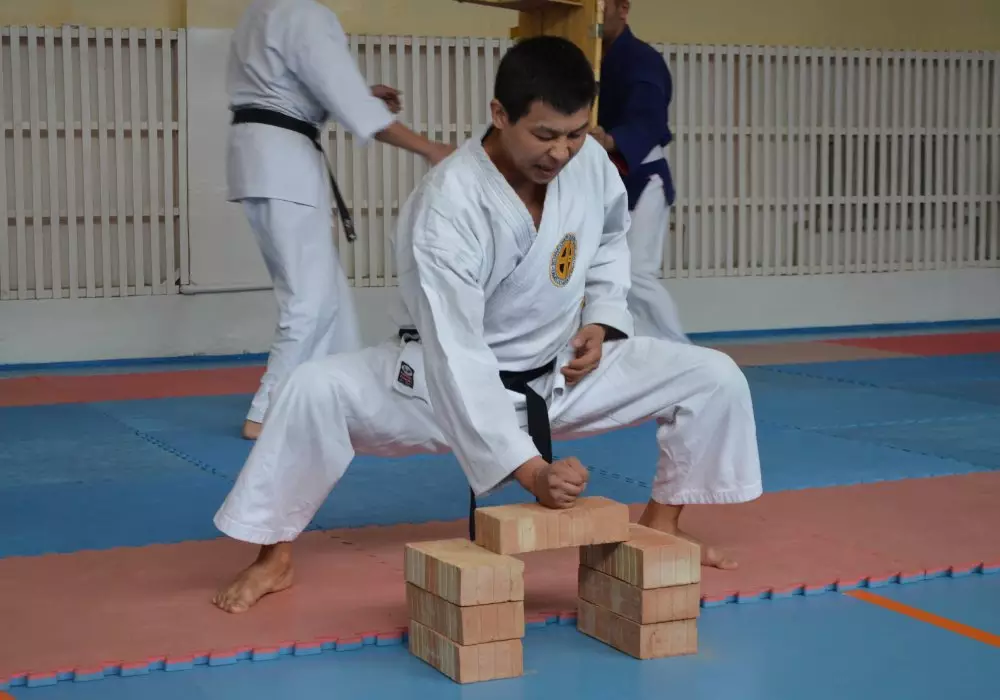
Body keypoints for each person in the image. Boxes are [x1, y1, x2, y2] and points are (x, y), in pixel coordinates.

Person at [211, 35, 762, 614]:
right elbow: (457, 352)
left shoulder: (590, 163)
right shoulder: (448, 204)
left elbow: (608, 240)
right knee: (311, 390)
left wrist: (602, 319)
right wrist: (533, 473)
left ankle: (662, 524)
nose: (561, 152)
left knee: (713, 376)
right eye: (544, 135)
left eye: (575, 134)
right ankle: (273, 557)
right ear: (500, 114)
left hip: (559, 376)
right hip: (435, 388)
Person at [227, 0, 455, 440]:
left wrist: (359, 96)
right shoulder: (305, 13)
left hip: (263, 156)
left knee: (329, 297)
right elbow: (347, 101)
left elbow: (290, 87)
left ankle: (337, 399)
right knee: (309, 301)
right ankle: (269, 410)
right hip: (281, 161)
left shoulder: (262, 11)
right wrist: (431, 148)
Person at [590, 0, 689, 343]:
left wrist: (611, 139)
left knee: (637, 273)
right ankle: (633, 347)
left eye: (602, 4)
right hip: (602, 180)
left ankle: (679, 349)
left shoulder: (642, 59)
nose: (596, 13)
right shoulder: (585, 56)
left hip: (641, 177)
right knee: (604, 272)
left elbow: (649, 119)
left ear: (622, 8)